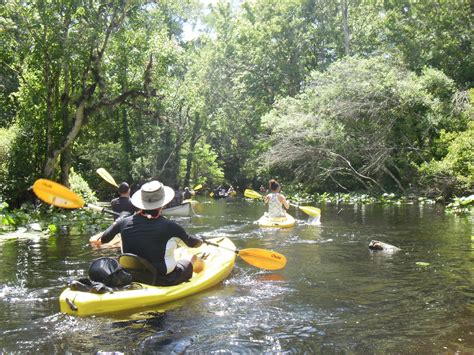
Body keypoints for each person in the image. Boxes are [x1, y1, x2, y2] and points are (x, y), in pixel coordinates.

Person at [92, 180, 204, 286]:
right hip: (163, 280)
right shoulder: (172, 227)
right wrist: (201, 240)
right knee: (188, 262)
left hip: (132, 276)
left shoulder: (123, 222)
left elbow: (104, 239)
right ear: (162, 204)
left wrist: (118, 220)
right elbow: (192, 244)